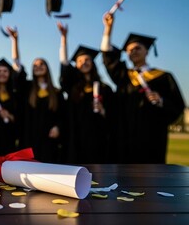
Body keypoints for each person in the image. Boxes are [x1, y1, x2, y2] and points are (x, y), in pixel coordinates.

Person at [100, 13, 185, 163]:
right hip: (124, 138)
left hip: (152, 138)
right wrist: (108, 29)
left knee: (150, 180)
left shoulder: (164, 77)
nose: (133, 51)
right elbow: (108, 58)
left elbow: (178, 106)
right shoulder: (124, 76)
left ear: (147, 51)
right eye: (129, 49)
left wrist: (161, 101)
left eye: (137, 48)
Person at [57, 22, 115, 164]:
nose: (84, 63)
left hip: (98, 139)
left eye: (87, 59)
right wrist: (64, 39)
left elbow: (114, 116)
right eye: (80, 60)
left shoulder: (105, 89)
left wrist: (103, 111)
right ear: (76, 66)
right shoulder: (72, 88)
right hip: (75, 139)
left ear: (93, 63)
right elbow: (64, 65)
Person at [8, 27, 66, 163]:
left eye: (41, 64)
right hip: (28, 140)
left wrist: (58, 127)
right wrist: (15, 41)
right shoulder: (27, 88)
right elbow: (17, 66)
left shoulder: (56, 93)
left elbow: (63, 116)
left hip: (49, 142)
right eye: (35, 65)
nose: (38, 67)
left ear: (47, 68)